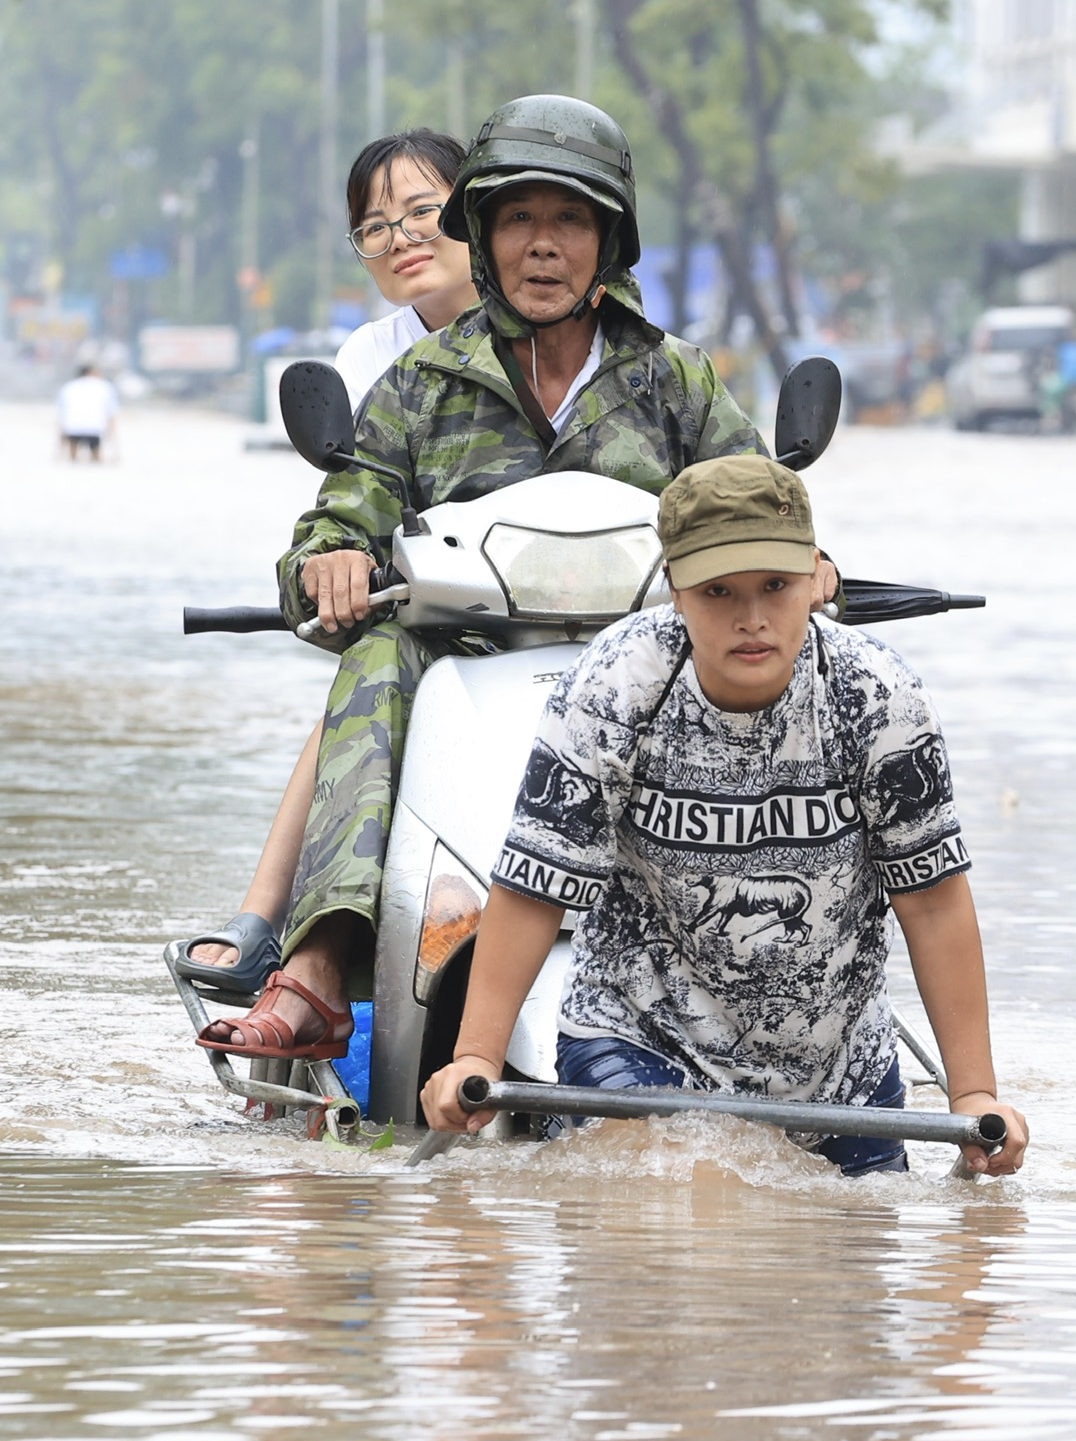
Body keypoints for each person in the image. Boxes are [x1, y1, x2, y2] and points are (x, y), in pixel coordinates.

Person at [190, 94, 798, 1064]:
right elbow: (337, 519)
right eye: (520, 219)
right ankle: (317, 965)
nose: (543, 245)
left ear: (609, 240)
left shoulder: (676, 379)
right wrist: (333, 563)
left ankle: (797, 958)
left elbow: (755, 508)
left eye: (570, 220)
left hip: (647, 669)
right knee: (383, 648)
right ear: (485, 235)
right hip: (462, 663)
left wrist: (799, 562)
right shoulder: (419, 383)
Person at [419, 454, 1030, 1179]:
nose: (751, 618)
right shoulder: (613, 688)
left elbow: (932, 903)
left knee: (862, 1250)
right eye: (719, 592)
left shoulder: (879, 697)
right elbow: (534, 889)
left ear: (814, 576)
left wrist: (975, 1095)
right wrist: (476, 1059)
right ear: (675, 588)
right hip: (641, 1035)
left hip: (837, 1069)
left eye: (775, 586)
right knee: (671, 1206)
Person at [174, 128, 481, 991]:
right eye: (375, 226)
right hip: (442, 621)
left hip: (582, 621)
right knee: (371, 675)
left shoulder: (609, 347)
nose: (401, 238)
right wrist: (337, 559)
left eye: (423, 211)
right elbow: (349, 504)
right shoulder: (377, 364)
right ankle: (275, 926)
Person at [55, 362, 120, 462]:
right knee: (96, 459)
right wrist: (115, 449)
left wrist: (60, 450)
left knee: (73, 458)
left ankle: (73, 457)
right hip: (95, 428)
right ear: (91, 373)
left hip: (72, 428)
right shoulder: (105, 386)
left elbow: (62, 415)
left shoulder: (68, 387)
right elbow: (111, 414)